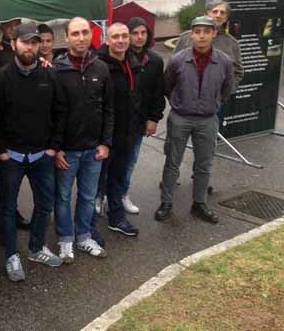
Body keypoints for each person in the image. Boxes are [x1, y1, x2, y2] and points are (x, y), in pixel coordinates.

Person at [0, 22, 62, 282]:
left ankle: (36, 248)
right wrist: (1, 151)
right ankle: (11, 255)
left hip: (41, 157)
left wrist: (52, 148)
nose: (30, 47)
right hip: (11, 156)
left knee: (45, 204)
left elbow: (60, 113)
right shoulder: (1, 76)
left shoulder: (50, 75)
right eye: (25, 42)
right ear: (14, 44)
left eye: (34, 42)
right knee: (8, 208)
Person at [155, 16, 235, 224]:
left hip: (208, 119)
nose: (201, 36)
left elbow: (227, 88)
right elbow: (167, 85)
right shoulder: (178, 60)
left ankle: (199, 203)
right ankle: (166, 203)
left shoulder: (224, 61)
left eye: (206, 31)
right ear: (191, 34)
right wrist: (179, 102)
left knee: (204, 164)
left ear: (214, 34)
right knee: (172, 162)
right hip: (180, 118)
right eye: (197, 31)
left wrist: (214, 104)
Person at [53, 17, 114, 262]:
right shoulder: (57, 70)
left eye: (85, 32)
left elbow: (109, 109)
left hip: (93, 150)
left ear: (91, 35)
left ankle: (84, 237)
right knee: (64, 197)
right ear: (66, 38)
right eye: (75, 33)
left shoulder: (101, 68)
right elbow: (52, 113)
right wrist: (55, 148)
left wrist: (105, 143)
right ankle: (65, 240)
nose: (81, 38)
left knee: (88, 197)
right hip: (66, 151)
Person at [96, 23, 143, 237]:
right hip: (103, 137)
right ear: (108, 40)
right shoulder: (99, 64)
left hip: (126, 135)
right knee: (92, 183)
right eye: (116, 36)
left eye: (125, 36)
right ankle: (86, 229)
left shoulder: (134, 63)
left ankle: (116, 218)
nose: (121, 40)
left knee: (116, 180)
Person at [121, 17, 166, 214]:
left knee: (130, 160)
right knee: (108, 163)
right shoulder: (119, 57)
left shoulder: (155, 61)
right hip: (118, 121)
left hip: (139, 122)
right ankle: (101, 195)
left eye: (143, 33)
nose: (139, 37)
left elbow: (158, 92)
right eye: (135, 33)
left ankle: (123, 194)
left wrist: (154, 118)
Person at [174, 0, 243, 89]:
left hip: (216, 98)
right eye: (215, 11)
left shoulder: (232, 43)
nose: (218, 15)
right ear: (207, 14)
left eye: (222, 13)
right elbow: (173, 65)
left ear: (226, 18)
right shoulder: (186, 37)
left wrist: (227, 90)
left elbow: (238, 71)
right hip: (186, 95)